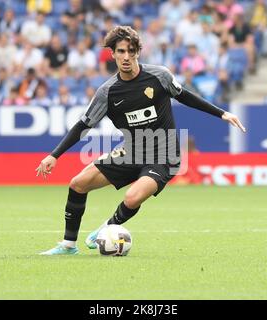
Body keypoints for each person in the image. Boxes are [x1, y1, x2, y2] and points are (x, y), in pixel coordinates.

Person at [36, 26, 246, 255]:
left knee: (132, 196)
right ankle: (68, 245)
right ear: (113, 54)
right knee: (78, 183)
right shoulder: (108, 92)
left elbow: (185, 96)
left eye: (131, 51)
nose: (126, 57)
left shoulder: (159, 76)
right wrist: (54, 155)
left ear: (138, 52)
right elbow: (84, 125)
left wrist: (222, 113)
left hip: (165, 154)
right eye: (121, 51)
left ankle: (107, 228)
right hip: (131, 151)